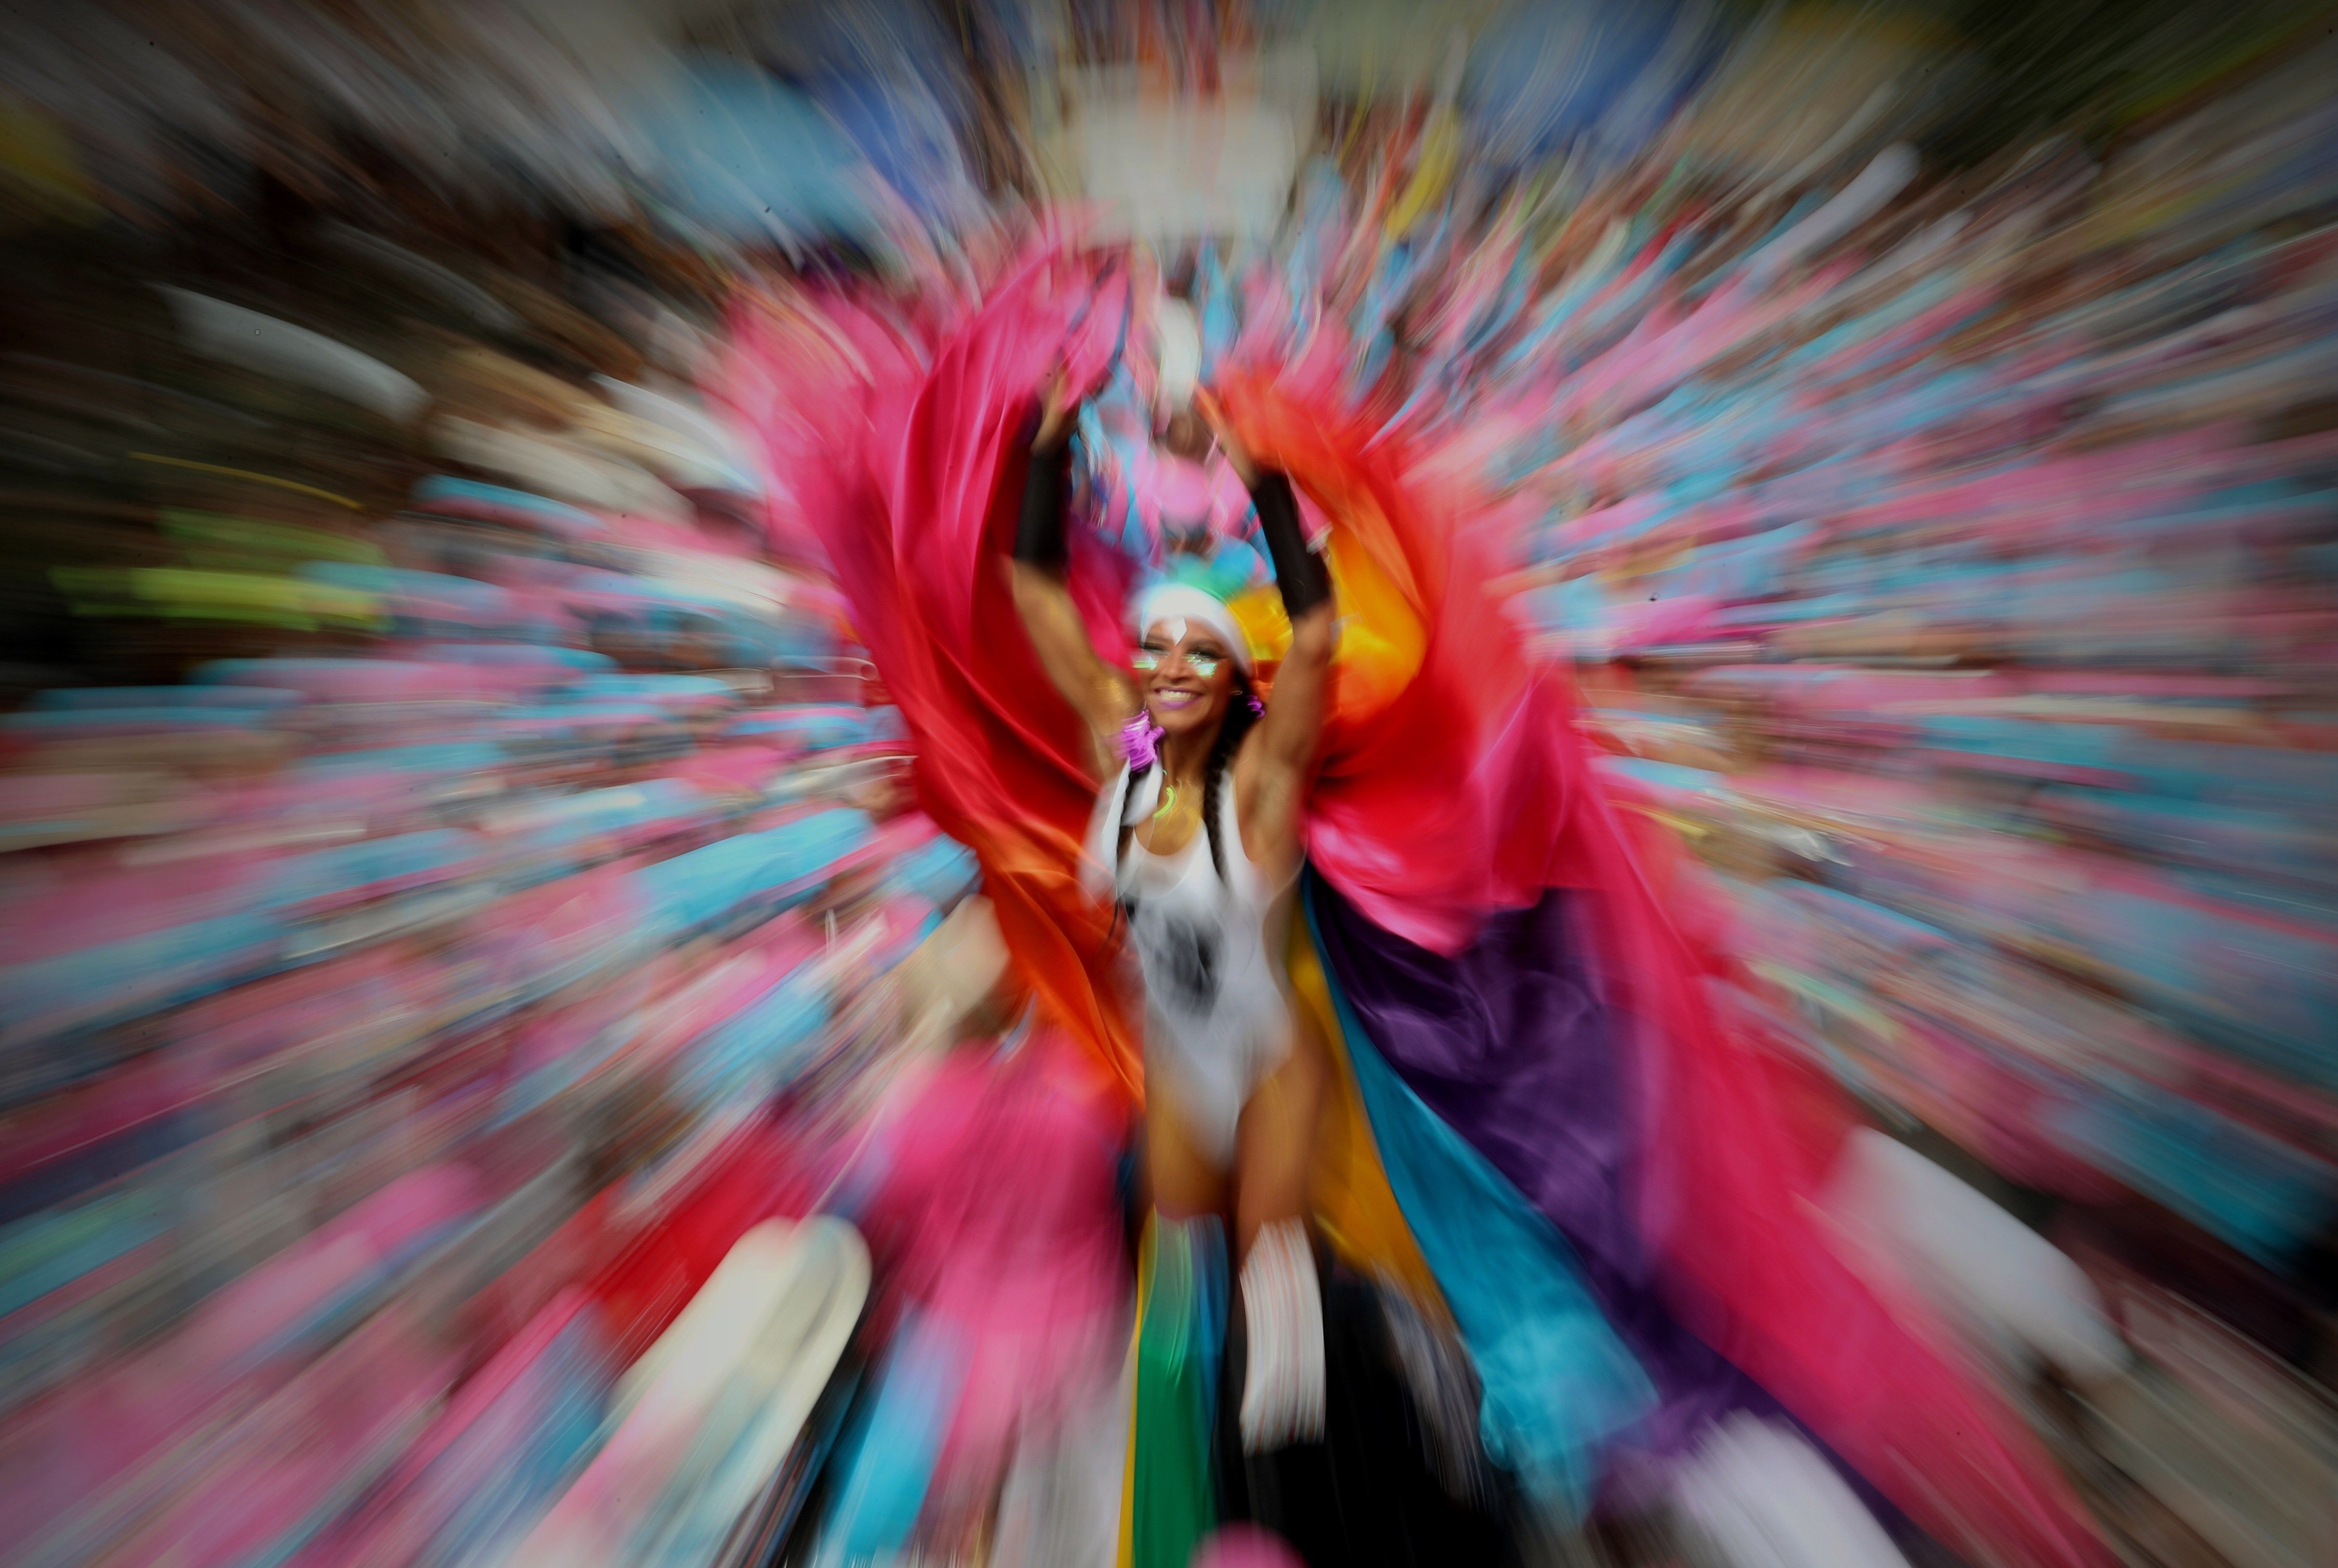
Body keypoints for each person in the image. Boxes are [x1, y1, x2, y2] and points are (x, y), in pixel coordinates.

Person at [1005, 300, 1341, 1466]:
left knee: (1279, 1318)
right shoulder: (1123, 750)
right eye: (1156, 650)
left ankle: (1301, 1499)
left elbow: (1318, 638)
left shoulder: (1263, 784)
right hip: (1178, 1070)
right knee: (1178, 1302)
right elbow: (1036, 592)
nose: (1171, 669)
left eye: (1201, 653)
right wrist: (1046, 448)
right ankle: (1168, 1494)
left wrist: (1269, 488)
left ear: (1231, 680)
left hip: (1269, 1066)